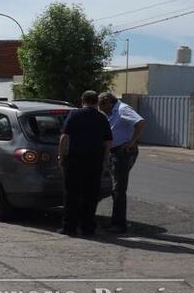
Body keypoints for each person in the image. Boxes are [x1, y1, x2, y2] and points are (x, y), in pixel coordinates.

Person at [58, 90, 112, 237]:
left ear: (83, 101)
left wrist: (61, 156)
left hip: (75, 160)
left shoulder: (75, 114)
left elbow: (64, 137)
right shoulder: (102, 118)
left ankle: (69, 227)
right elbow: (108, 141)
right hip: (94, 161)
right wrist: (105, 160)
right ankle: (88, 227)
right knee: (91, 195)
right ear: (96, 102)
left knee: (72, 195)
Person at [98, 92, 146, 234]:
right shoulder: (113, 111)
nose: (101, 110)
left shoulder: (122, 109)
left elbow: (140, 122)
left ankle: (119, 224)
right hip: (114, 152)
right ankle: (115, 221)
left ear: (107, 102)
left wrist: (132, 142)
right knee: (115, 188)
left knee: (118, 188)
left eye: (102, 106)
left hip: (122, 152)